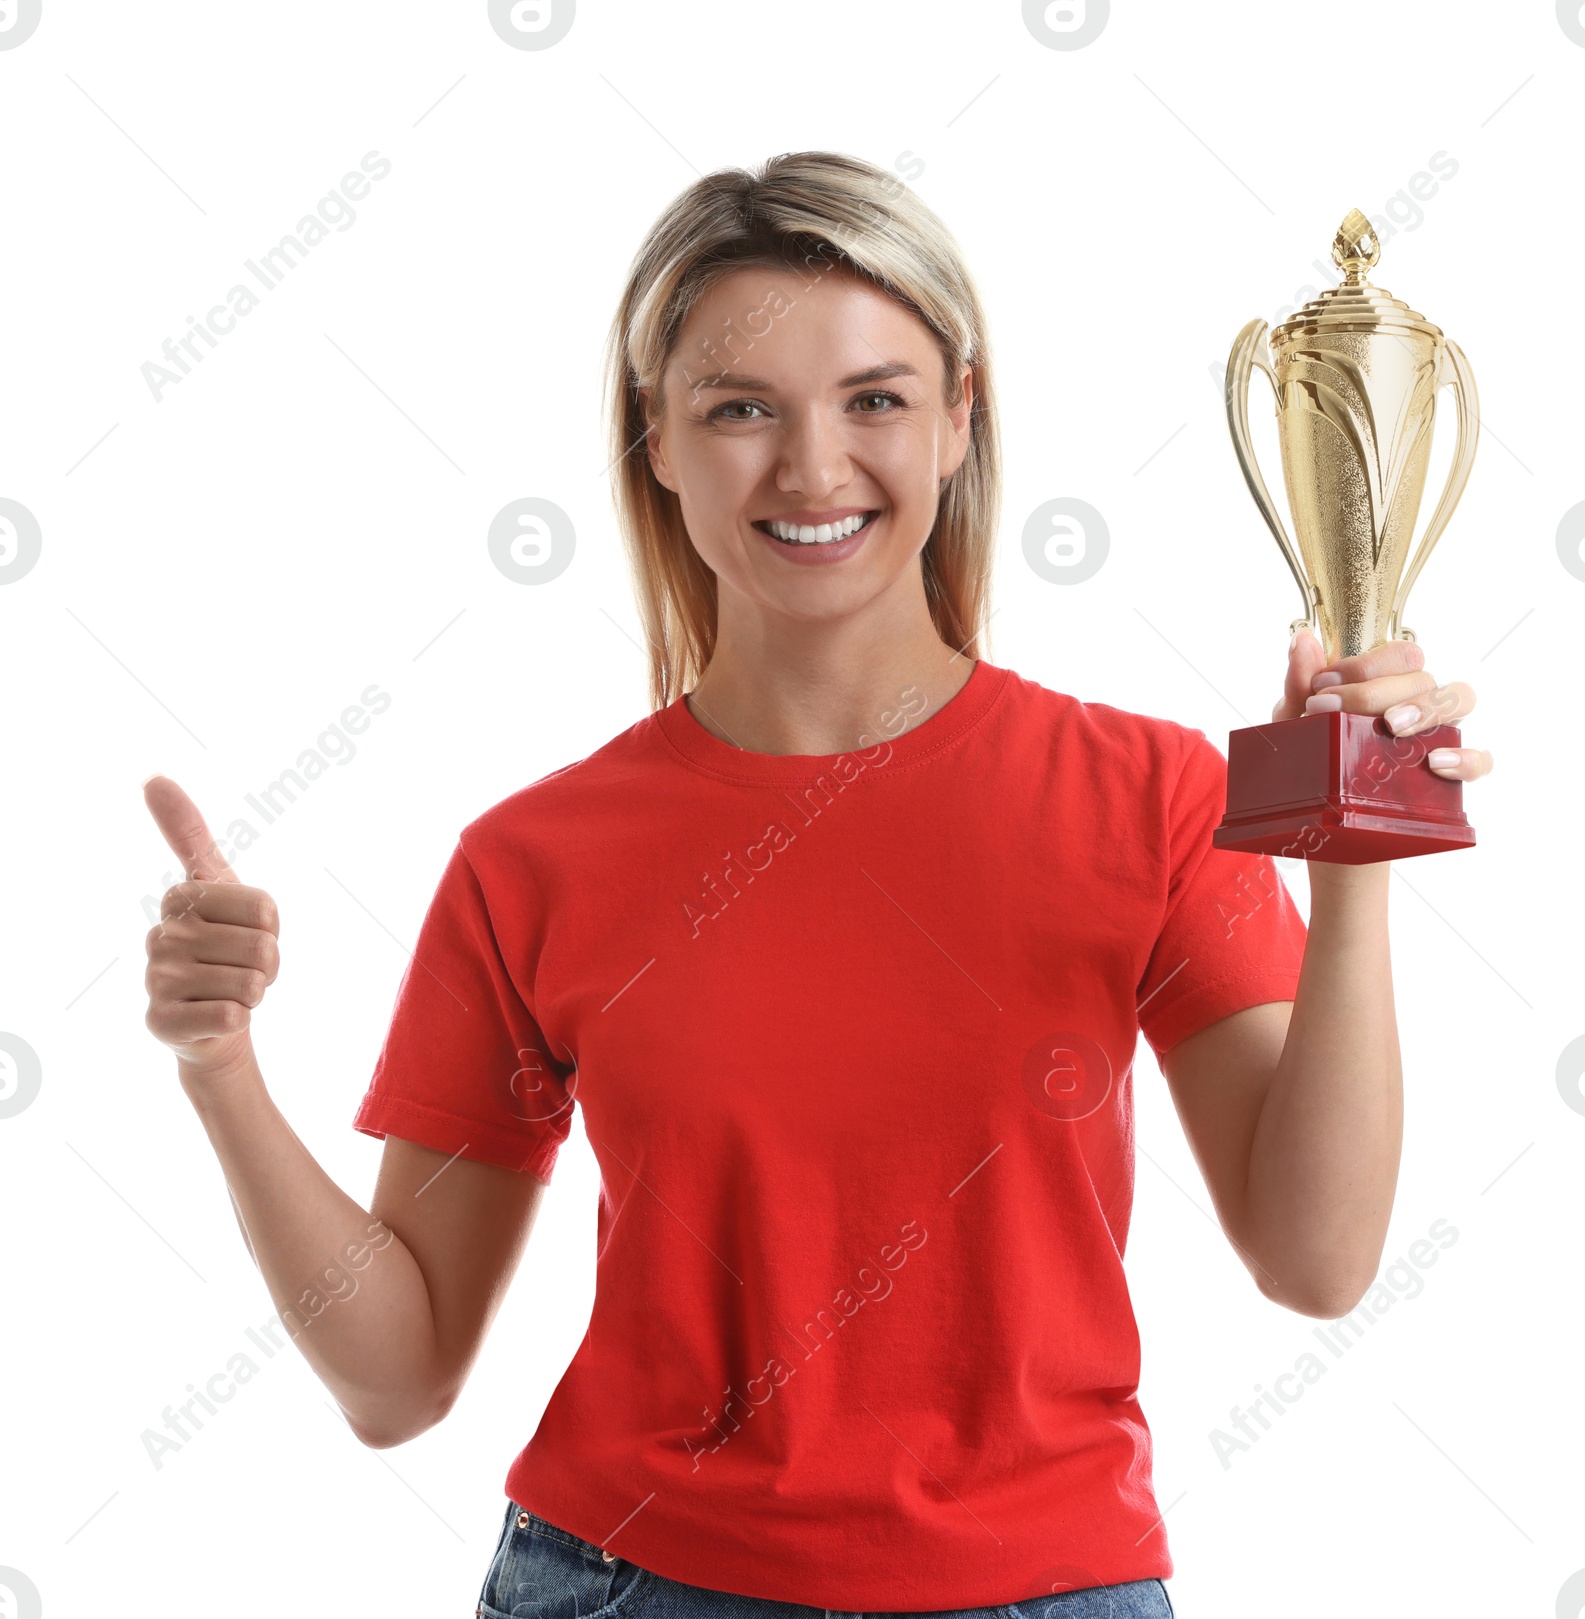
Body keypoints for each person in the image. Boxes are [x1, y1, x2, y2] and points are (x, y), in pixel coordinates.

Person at [141, 150, 1492, 1618]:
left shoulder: (1154, 797)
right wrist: (221, 1068)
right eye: (738, 410)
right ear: (654, 439)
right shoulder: (532, 862)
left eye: (875, 400)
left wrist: (1355, 862)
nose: (812, 469)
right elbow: (398, 1379)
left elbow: (1320, 1258)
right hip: (628, 1587)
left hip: (1050, 1589)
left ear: (960, 418)